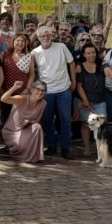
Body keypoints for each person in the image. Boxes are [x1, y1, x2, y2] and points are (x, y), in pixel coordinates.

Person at [31, 26, 75, 159]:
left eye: (47, 34)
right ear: (38, 38)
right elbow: (33, 72)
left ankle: (66, 148)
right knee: (47, 120)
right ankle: (51, 145)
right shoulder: (35, 52)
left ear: (52, 35)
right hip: (46, 92)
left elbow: (72, 64)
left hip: (63, 90)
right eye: (42, 36)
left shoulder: (61, 46)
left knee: (66, 120)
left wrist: (73, 81)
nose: (45, 37)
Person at [0, 81, 48, 163]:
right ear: (32, 90)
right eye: (38, 89)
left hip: (26, 129)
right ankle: (15, 150)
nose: (40, 92)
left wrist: (29, 121)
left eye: (43, 90)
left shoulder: (43, 103)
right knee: (21, 145)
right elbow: (3, 99)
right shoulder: (22, 99)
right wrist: (14, 88)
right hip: (12, 131)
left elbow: (37, 120)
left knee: (37, 127)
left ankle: (35, 157)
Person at [75, 43, 107, 157]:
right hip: (84, 100)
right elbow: (79, 85)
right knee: (85, 125)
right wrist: (85, 100)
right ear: (84, 54)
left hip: (100, 100)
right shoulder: (80, 66)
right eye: (88, 53)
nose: (91, 55)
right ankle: (87, 149)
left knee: (100, 124)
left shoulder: (102, 65)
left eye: (93, 52)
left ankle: (100, 151)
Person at [0, 33, 34, 125]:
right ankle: (7, 138)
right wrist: (0, 88)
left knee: (20, 117)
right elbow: (0, 73)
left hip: (22, 91)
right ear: (13, 42)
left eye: (22, 41)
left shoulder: (29, 56)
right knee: (6, 117)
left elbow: (31, 75)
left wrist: (27, 89)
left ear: (26, 43)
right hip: (7, 91)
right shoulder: (5, 55)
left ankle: (19, 138)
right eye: (17, 40)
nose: (20, 43)